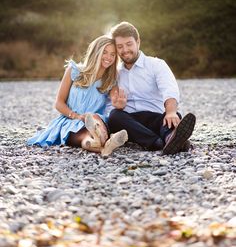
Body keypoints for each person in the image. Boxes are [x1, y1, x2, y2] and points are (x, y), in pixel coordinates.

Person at [27, 35, 128, 157]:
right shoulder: (75, 71)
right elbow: (59, 103)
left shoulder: (111, 79)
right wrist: (77, 116)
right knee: (85, 137)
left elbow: (115, 101)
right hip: (70, 120)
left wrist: (119, 105)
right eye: (105, 52)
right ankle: (108, 144)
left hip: (96, 121)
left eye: (113, 54)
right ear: (96, 52)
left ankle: (101, 142)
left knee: (93, 127)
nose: (109, 57)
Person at [107, 22, 196, 155]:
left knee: (172, 118)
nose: (125, 50)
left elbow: (169, 88)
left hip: (156, 118)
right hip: (131, 123)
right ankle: (159, 142)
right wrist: (118, 105)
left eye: (129, 44)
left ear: (138, 42)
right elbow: (110, 101)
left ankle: (170, 138)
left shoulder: (156, 65)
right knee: (114, 116)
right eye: (120, 46)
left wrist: (170, 111)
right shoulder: (115, 73)